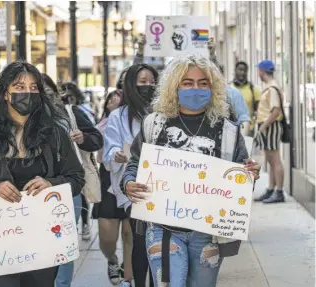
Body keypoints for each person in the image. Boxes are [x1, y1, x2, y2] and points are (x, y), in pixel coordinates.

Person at [121, 54, 261, 287]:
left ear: (213, 87)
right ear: (174, 86)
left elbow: (240, 182)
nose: (195, 88)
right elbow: (135, 162)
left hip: (208, 233)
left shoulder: (228, 132)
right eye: (187, 83)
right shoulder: (154, 124)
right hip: (162, 229)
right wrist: (128, 182)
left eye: (202, 83)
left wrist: (249, 175)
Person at [0, 61, 85, 287]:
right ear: (5, 94)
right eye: (19, 87)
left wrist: (51, 183)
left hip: (43, 239)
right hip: (0, 243)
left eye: (33, 87)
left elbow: (77, 179)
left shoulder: (55, 134)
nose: (27, 93)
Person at [43, 75, 103, 287]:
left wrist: (83, 138)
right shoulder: (17, 120)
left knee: (63, 243)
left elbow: (96, 138)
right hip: (31, 194)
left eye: (49, 93)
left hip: (68, 190)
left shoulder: (71, 114)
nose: (44, 98)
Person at [103, 63, 158, 287]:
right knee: (140, 237)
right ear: (131, 85)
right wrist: (117, 155)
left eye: (152, 82)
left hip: (161, 185)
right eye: (142, 82)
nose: (148, 86)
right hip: (134, 186)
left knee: (158, 241)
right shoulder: (118, 116)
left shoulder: (163, 112)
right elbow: (110, 149)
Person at [92, 90, 133, 285]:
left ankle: (128, 268)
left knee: (129, 231)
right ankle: (112, 259)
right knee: (107, 235)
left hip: (129, 177)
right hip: (108, 177)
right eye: (111, 99)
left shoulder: (136, 121)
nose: (115, 101)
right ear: (107, 104)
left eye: (120, 97)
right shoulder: (100, 126)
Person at [254, 60, 285, 204]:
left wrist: (263, 126)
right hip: (268, 127)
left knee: (275, 159)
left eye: (259, 71)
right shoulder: (269, 87)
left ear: (262, 71)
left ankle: (279, 192)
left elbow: (275, 111)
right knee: (271, 161)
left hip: (271, 126)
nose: (258, 73)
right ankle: (271, 189)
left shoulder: (272, 88)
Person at [231, 61, 262, 135]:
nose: (242, 72)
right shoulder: (229, 88)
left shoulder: (253, 89)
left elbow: (259, 111)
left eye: (244, 70)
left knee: (246, 147)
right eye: (240, 69)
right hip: (231, 129)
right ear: (235, 71)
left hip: (248, 129)